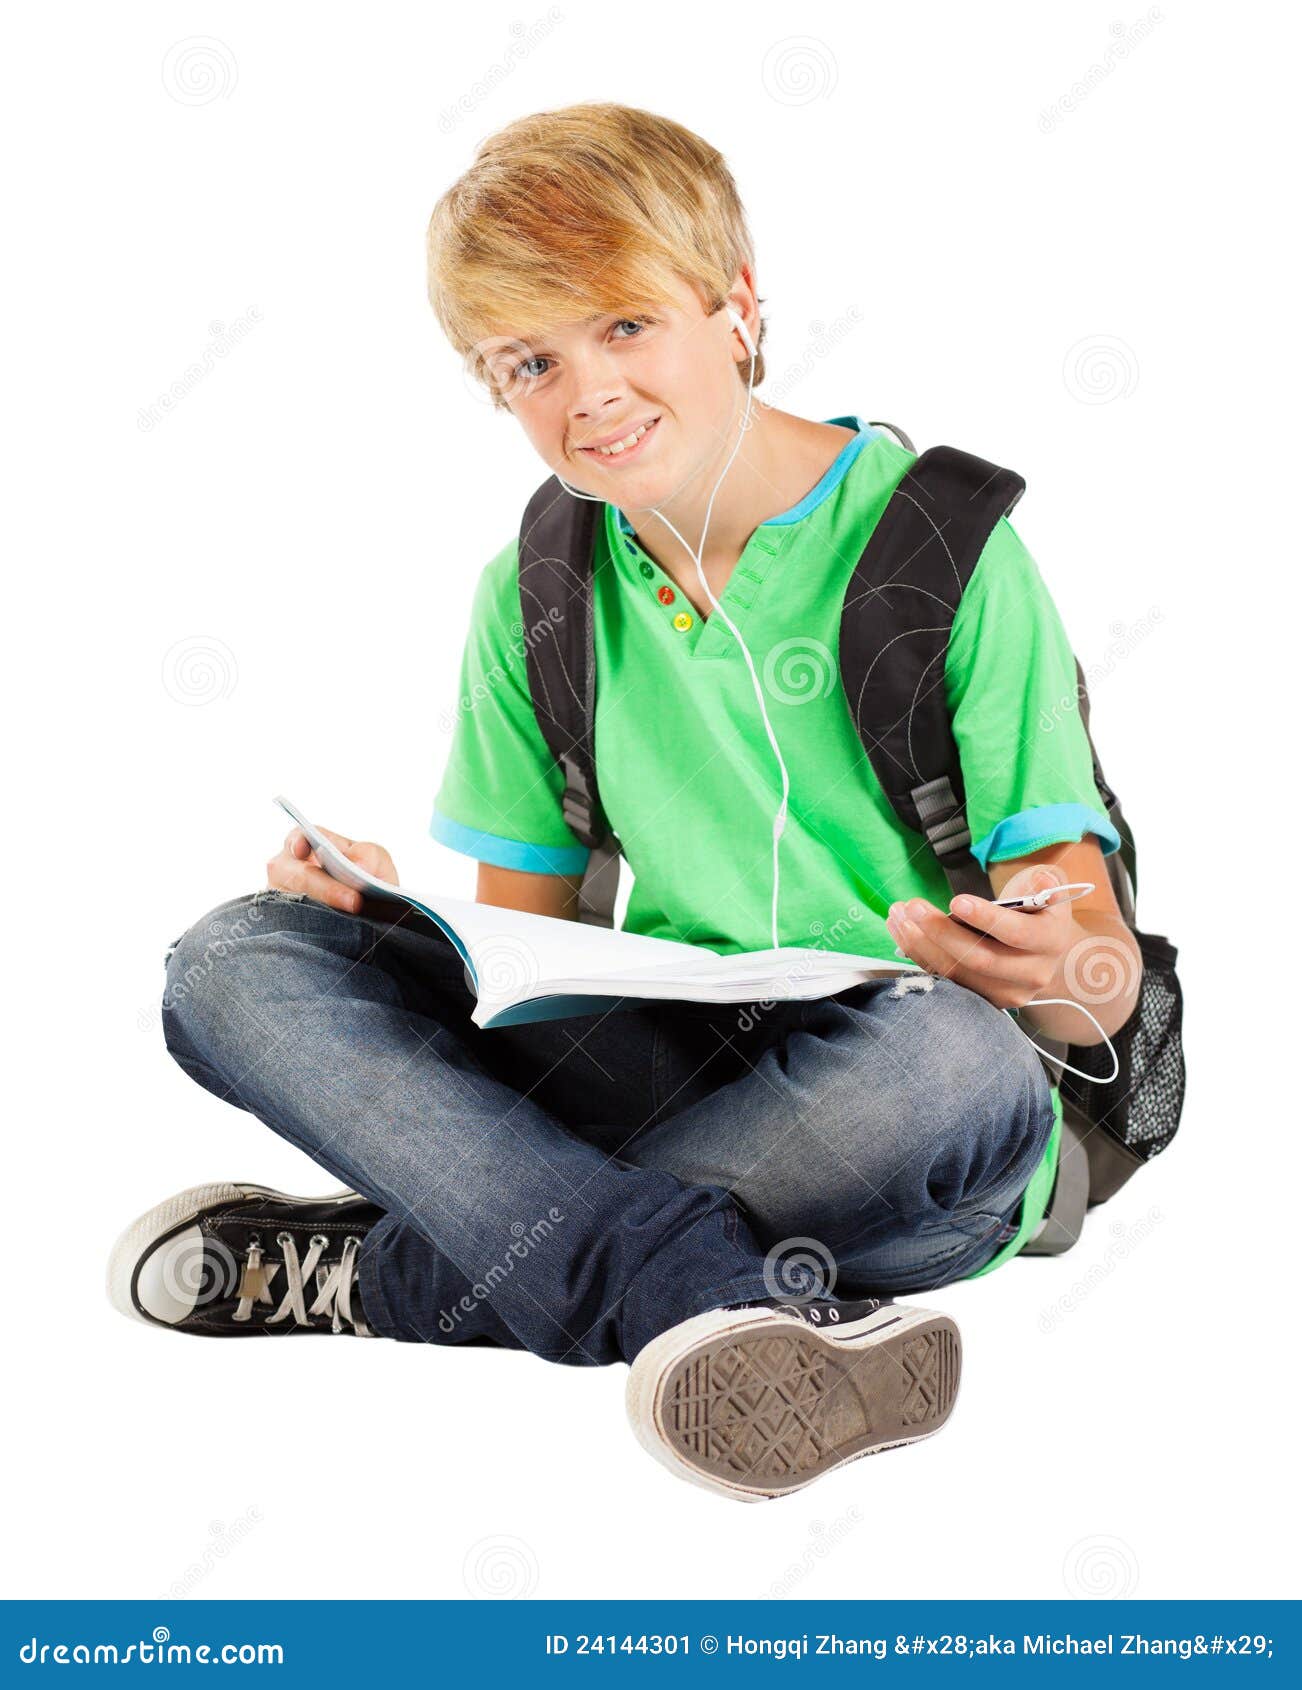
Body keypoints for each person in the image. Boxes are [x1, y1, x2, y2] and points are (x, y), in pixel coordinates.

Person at [107, 103, 1141, 1503]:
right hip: (670, 1055)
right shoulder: (535, 588)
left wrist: (1058, 964)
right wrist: (391, 916)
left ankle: (397, 1269)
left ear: (735, 307)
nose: (584, 392)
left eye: (623, 327)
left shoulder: (941, 548)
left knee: (953, 1059)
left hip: (902, 1105)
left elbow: (1086, 995)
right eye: (527, 361)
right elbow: (520, 983)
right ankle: (715, 1292)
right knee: (231, 959)